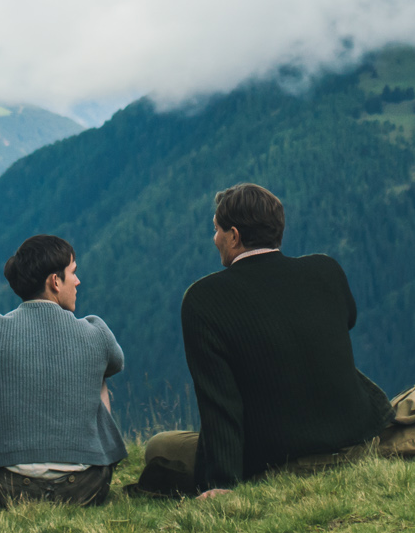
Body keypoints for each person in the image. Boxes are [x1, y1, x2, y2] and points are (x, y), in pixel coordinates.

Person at [168, 182, 392, 496]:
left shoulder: (204, 300)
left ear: (235, 235)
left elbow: (220, 403)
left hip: (277, 458)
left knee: (161, 449)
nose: (214, 238)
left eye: (217, 229)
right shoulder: (326, 271)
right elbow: (348, 319)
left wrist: (222, 484)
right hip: (356, 441)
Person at [0, 233, 127, 512]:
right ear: (55, 281)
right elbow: (116, 364)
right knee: (98, 377)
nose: (77, 282)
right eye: (73, 273)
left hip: (3, 491)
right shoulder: (96, 333)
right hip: (86, 488)